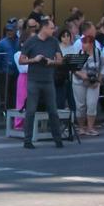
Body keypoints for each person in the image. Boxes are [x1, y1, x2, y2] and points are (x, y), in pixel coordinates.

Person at [18, 18, 64, 149]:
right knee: (31, 110)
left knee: (53, 110)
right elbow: (21, 60)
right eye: (51, 28)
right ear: (44, 28)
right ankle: (27, 140)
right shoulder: (31, 41)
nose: (53, 30)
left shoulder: (53, 41)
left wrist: (51, 62)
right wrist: (35, 59)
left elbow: (60, 60)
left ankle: (58, 139)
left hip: (48, 79)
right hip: (34, 80)